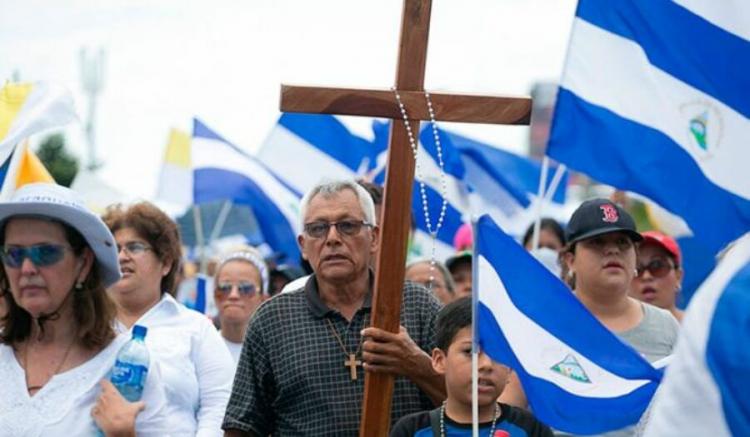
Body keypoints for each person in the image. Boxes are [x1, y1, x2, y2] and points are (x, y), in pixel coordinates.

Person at [223, 179, 444, 436]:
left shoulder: (418, 305)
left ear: (374, 237)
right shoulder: (272, 320)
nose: (332, 239)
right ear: (303, 245)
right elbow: (242, 426)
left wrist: (417, 365)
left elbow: (472, 409)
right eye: (318, 229)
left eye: (347, 226)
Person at [0, 183, 170, 436]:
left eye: (46, 252)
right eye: (14, 255)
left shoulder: (126, 366)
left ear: (83, 263)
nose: (26, 268)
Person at [502, 199, 681, 436]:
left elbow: (688, 407)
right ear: (570, 260)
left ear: (635, 259)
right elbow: (506, 413)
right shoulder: (542, 324)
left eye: (623, 242)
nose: (612, 250)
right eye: (597, 242)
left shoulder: (665, 326)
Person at [103, 202, 234, 437]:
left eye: (134, 247)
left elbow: (218, 405)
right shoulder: (84, 326)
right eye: (114, 248)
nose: (122, 257)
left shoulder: (196, 328)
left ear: (165, 263)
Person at [390, 297, 553, 437]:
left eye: (498, 353)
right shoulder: (412, 430)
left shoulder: (530, 429)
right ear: (439, 360)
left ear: (510, 367)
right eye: (470, 351)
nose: (486, 364)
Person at [213, 245, 269, 364]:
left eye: (246, 288)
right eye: (224, 287)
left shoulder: (273, 356)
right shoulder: (201, 349)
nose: (233, 295)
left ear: (263, 299)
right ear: (214, 294)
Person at [629, 231, 684, 322]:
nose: (646, 276)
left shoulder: (700, 327)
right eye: (636, 269)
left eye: (657, 266)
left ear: (678, 276)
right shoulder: (609, 332)